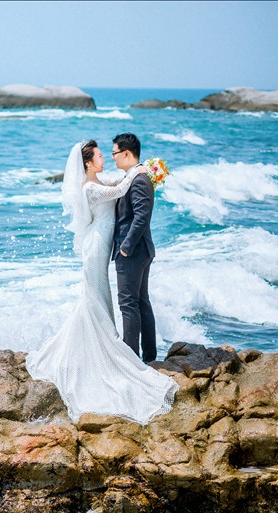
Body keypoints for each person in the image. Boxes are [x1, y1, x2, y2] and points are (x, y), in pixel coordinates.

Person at [25, 140, 176, 424]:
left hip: (107, 244)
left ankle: (114, 347)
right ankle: (108, 351)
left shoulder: (99, 180)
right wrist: (140, 169)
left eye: (109, 154)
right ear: (88, 163)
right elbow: (120, 189)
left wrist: (145, 170)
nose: (105, 158)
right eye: (100, 156)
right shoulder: (90, 187)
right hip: (96, 246)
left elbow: (118, 182)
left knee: (101, 298)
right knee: (95, 297)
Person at [111, 132, 158, 363]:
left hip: (133, 251)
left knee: (128, 304)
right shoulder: (135, 176)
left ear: (127, 153)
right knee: (141, 302)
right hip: (141, 249)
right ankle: (150, 357)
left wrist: (125, 248)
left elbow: (141, 217)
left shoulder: (138, 179)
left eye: (115, 153)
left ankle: (131, 360)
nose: (113, 157)